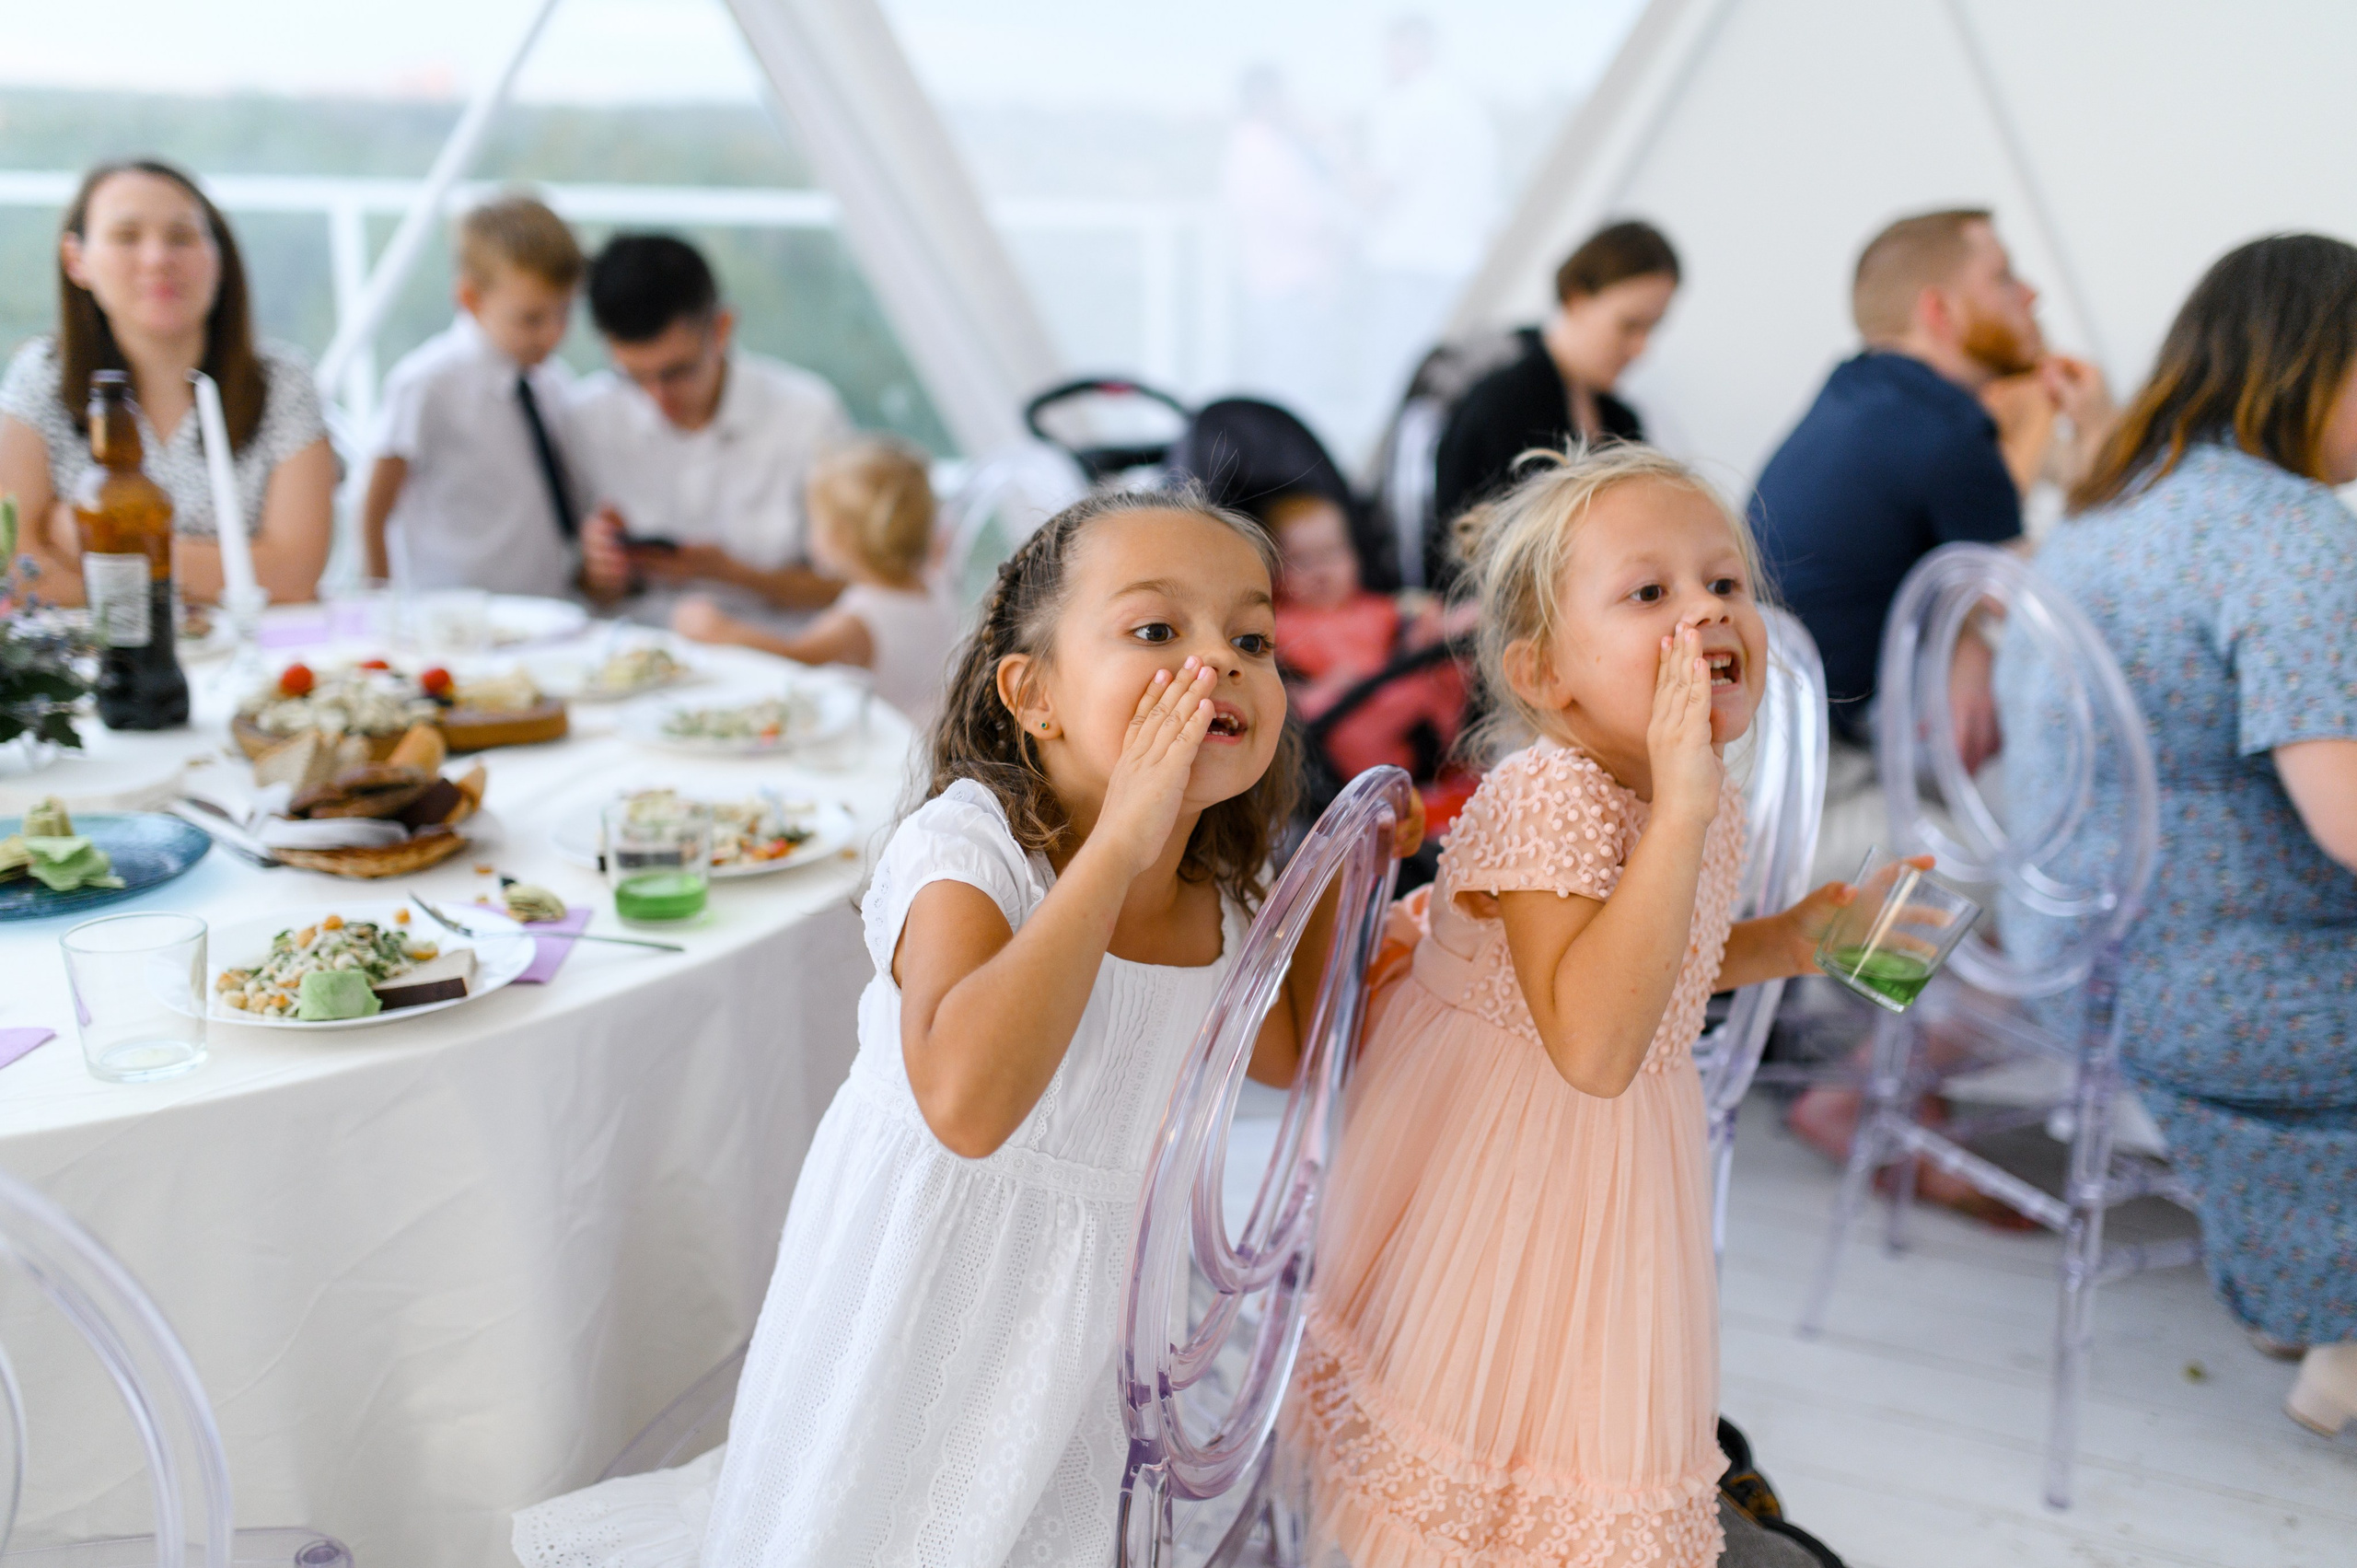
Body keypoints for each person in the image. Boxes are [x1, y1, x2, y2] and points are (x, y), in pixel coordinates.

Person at [514, 488, 1417, 1567]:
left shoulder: (1224, 888)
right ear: (1032, 695)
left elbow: (1285, 1054)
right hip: (921, 1312)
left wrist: (1350, 880)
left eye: (1253, 636)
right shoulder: (968, 851)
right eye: (1155, 629)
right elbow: (967, 1102)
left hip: (1088, 1335)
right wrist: (1118, 846)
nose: (1216, 660)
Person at [1289, 446, 1883, 1564]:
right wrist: (1682, 816)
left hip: (1605, 1151)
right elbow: (1596, 1041)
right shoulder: (1552, 793)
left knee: (1571, 1425)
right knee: (1485, 1417)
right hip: (1507, 1155)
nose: (1706, 609)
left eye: (1725, 584)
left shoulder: (1682, 792)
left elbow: (1659, 965)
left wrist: (1799, 939)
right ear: (1548, 673)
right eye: (1649, 591)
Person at [1996, 234, 2357, 1439]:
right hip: (2223, 990)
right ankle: (2340, 1323)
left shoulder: (2105, 514)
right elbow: (2349, 823)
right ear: (2319, 368)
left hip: (2071, 959)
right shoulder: (2302, 536)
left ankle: (2312, 1295)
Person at [1747, 207, 2109, 759]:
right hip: (1831, 767)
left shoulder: (1859, 393)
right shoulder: (1944, 430)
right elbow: (2065, 604)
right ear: (1940, 311)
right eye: (2003, 278)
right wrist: (2102, 432)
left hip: (1774, 735)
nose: (2030, 295)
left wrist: (1967, 640)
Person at [0, 159, 334, 605]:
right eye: (126, 236)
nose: (158, 259)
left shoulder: (283, 383)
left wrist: (97, 539)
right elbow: (14, 569)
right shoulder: (39, 376)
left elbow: (293, 576)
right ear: (76, 260)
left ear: (219, 256)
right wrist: (175, 603)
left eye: (181, 237)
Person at [571, 233, 850, 627]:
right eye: (634, 378)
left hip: (775, 660)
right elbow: (580, 588)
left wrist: (728, 572)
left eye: (677, 372)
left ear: (721, 328)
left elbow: (854, 589)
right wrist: (600, 571)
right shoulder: (588, 415)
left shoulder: (808, 415)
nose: (657, 399)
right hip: (633, 661)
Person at [1426, 219, 1680, 579]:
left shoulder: (1622, 419)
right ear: (1577, 299)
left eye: (1652, 329)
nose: (1641, 349)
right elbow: (1465, 556)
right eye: (1629, 325)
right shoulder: (1502, 403)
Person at [360, 193, 586, 598]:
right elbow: (374, 508)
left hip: (545, 611)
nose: (553, 335)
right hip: (453, 611)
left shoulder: (553, 383)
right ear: (471, 299)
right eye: (531, 319)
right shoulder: (426, 384)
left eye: (565, 312)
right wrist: (380, 608)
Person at [672, 437, 958, 733]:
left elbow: (790, 659)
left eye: (814, 522)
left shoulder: (858, 623)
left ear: (838, 537)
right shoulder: (932, 586)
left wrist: (715, 630)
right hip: (928, 737)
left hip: (888, 750)